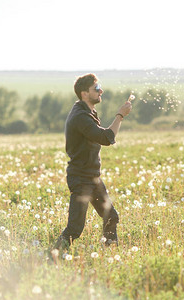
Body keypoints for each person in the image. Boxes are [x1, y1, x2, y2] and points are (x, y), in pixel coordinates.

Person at [53, 73, 132, 250]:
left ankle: (110, 252)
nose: (100, 90)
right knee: (74, 229)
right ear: (84, 94)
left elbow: (103, 136)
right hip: (81, 178)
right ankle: (51, 256)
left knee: (111, 216)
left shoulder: (88, 112)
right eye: (96, 88)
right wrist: (120, 115)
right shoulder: (80, 116)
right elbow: (106, 137)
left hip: (92, 177)